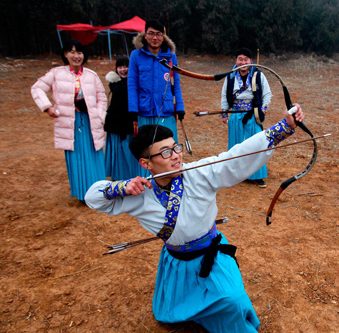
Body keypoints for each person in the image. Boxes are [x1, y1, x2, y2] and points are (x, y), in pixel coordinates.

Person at [85, 104, 304, 332]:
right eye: (165, 153)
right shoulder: (139, 192)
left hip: (212, 255)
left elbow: (235, 157)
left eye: (175, 148)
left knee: (233, 300)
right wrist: (120, 187)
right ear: (145, 163)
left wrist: (284, 127)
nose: (176, 156)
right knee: (174, 315)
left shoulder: (198, 173)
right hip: (179, 261)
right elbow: (93, 197)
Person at [31, 40, 106, 202]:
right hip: (70, 123)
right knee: (77, 156)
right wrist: (47, 107)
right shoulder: (56, 73)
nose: (76, 56)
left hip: (90, 122)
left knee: (94, 154)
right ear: (65, 54)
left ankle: (100, 192)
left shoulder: (91, 75)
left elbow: (102, 98)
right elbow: (37, 88)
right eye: (72, 52)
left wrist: (100, 116)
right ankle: (83, 194)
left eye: (79, 52)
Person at [128, 19, 185, 179]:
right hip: (144, 110)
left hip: (165, 110)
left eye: (159, 34)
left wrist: (179, 107)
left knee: (168, 149)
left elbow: (176, 83)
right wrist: (133, 109)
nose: (155, 38)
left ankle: (171, 180)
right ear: (145, 35)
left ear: (163, 37)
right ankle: (145, 183)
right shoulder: (136, 55)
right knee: (146, 150)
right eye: (151, 33)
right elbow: (131, 83)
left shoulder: (170, 56)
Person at [221, 48, 272, 188]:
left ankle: (257, 175)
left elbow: (267, 95)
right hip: (236, 114)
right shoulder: (230, 77)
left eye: (246, 59)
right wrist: (224, 113)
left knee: (257, 144)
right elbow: (225, 95)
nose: (243, 62)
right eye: (240, 59)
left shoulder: (258, 75)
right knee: (235, 145)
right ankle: (234, 175)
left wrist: (262, 110)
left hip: (253, 115)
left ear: (251, 61)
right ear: (236, 61)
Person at [104, 57, 141, 180]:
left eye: (126, 66)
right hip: (116, 124)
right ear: (116, 69)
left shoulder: (137, 81)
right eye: (120, 67)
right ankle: (118, 176)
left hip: (130, 123)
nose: (123, 69)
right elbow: (121, 91)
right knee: (118, 151)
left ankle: (132, 175)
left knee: (130, 150)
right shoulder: (115, 83)